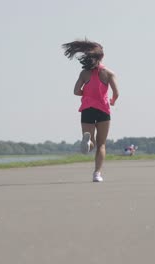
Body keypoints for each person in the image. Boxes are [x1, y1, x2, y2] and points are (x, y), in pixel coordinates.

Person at [62, 39, 119, 182]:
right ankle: (97, 174)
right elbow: (116, 93)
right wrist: (112, 101)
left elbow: (76, 91)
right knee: (102, 144)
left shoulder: (84, 73)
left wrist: (86, 94)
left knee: (91, 141)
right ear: (102, 57)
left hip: (87, 109)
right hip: (103, 110)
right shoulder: (109, 73)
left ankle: (87, 142)